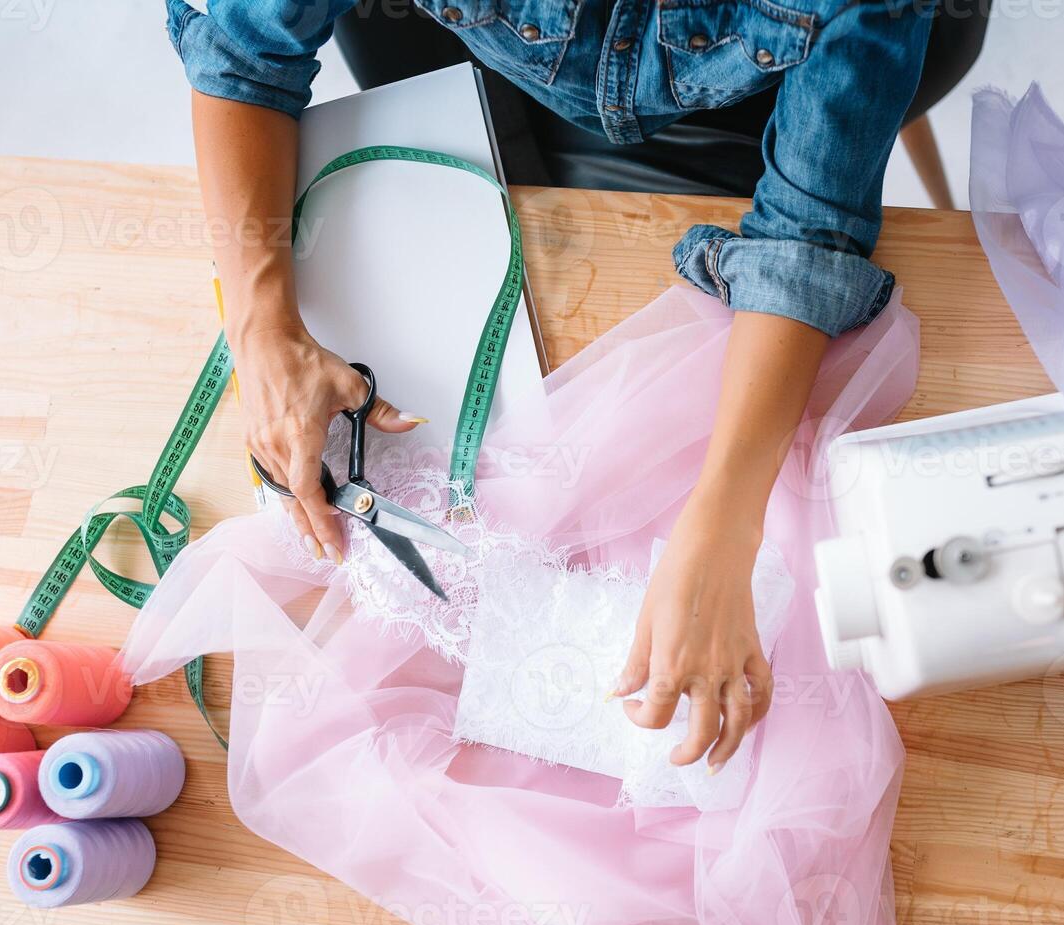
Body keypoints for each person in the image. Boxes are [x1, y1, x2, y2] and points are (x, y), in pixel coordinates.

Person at [164, 0, 933, 775]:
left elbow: (807, 230)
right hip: (453, 54)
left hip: (740, 113)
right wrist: (263, 332)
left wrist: (725, 530)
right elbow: (245, 56)